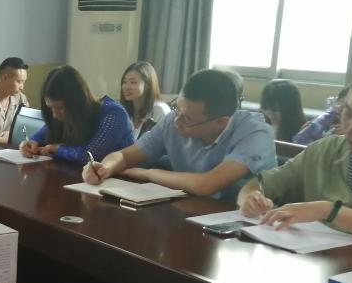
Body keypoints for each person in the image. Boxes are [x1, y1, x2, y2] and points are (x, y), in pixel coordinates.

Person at [84, 68, 276, 200]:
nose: (177, 121)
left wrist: (148, 173)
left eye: (188, 119)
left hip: (248, 225)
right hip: (191, 211)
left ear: (221, 122)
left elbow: (207, 184)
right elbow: (124, 156)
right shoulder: (174, 119)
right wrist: (104, 168)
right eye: (176, 108)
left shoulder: (255, 133)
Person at [237, 61, 352, 240]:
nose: (351, 128)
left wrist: (329, 211)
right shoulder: (325, 150)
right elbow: (261, 184)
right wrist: (250, 198)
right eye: (347, 113)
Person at [19, 65, 133, 161]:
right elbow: (43, 134)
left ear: (77, 103)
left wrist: (57, 149)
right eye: (51, 108)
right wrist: (31, 143)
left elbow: (89, 156)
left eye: (60, 108)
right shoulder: (65, 114)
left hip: (120, 179)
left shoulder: (114, 114)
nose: (55, 115)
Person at [119, 61, 169, 140]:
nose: (126, 87)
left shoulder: (159, 110)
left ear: (148, 84)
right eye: (124, 82)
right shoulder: (122, 111)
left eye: (133, 82)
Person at [260, 79, 307, 143]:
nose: (270, 114)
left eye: (275, 109)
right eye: (266, 108)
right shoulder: (261, 124)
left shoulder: (302, 132)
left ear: (291, 109)